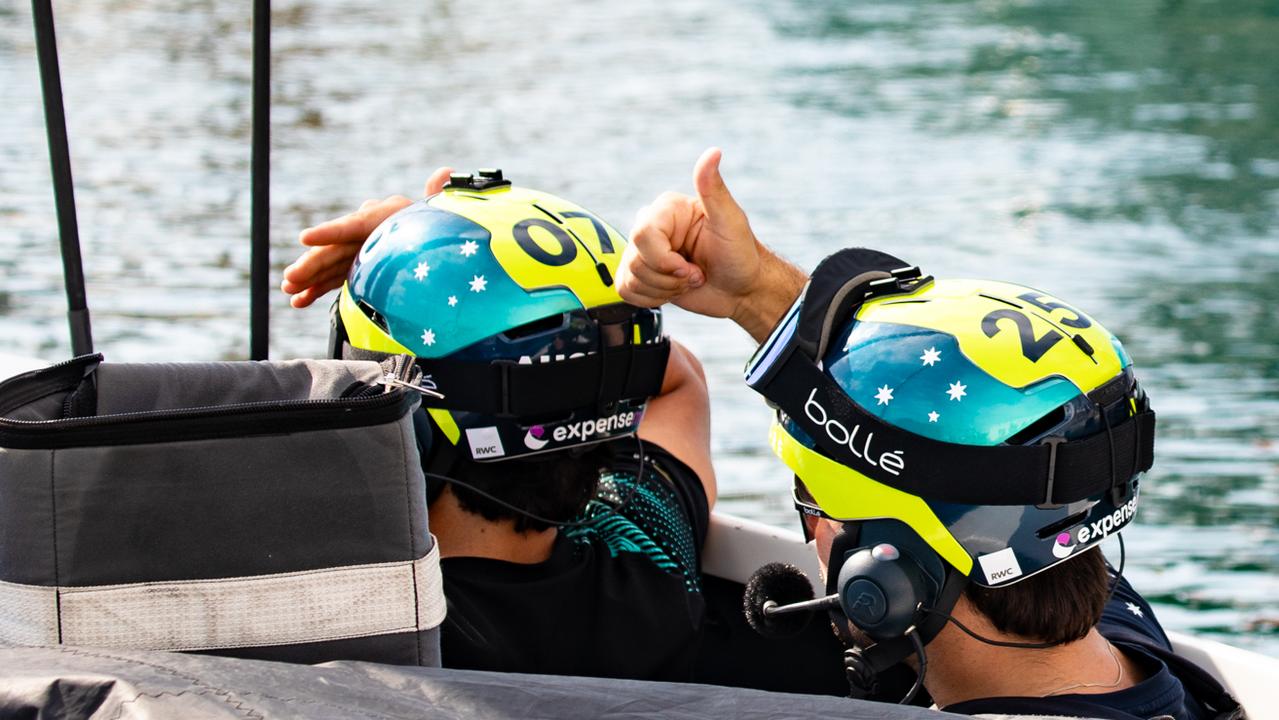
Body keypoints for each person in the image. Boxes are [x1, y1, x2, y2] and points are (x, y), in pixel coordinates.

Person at [614, 148, 1244, 718]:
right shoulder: (1130, 642)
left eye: (813, 502)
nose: (812, 533)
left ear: (889, 577)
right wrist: (752, 290)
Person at [282, 169, 715, 681]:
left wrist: (413, 249)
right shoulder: (649, 559)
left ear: (403, 420)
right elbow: (678, 380)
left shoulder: (361, 622)